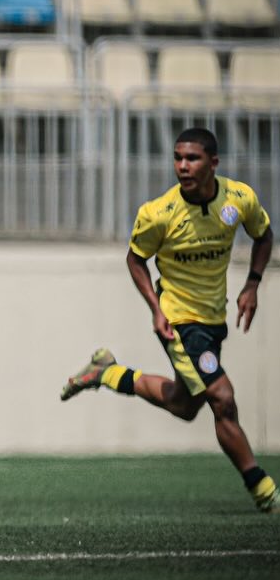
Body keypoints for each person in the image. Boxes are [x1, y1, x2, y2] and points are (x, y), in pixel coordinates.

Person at [62, 127, 277, 513]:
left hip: (213, 320)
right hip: (179, 321)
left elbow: (264, 236)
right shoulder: (159, 213)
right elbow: (134, 258)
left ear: (213, 163)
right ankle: (264, 491)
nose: (182, 166)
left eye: (191, 159)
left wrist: (252, 285)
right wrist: (157, 309)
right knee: (222, 398)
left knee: (185, 404)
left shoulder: (239, 199)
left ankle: (107, 373)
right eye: (177, 158)